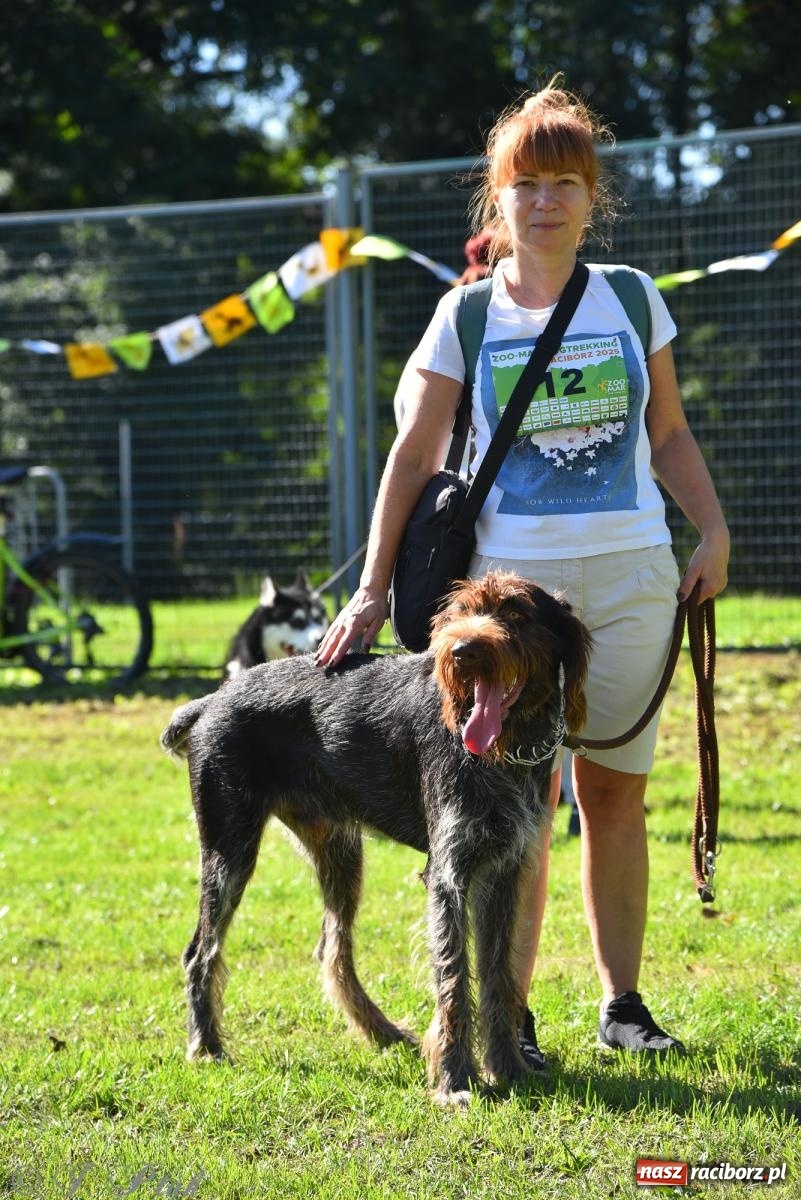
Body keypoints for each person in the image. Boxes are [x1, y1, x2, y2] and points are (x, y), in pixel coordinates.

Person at [315, 78, 729, 1067]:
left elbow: (669, 433)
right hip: (515, 608)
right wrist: (370, 590)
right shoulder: (464, 315)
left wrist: (711, 530)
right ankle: (510, 1015)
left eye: (564, 183)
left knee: (613, 796)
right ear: (497, 198)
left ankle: (622, 1005)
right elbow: (412, 457)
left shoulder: (632, 297)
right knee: (519, 805)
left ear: (593, 198)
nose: (545, 201)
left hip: (631, 580)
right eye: (526, 183)